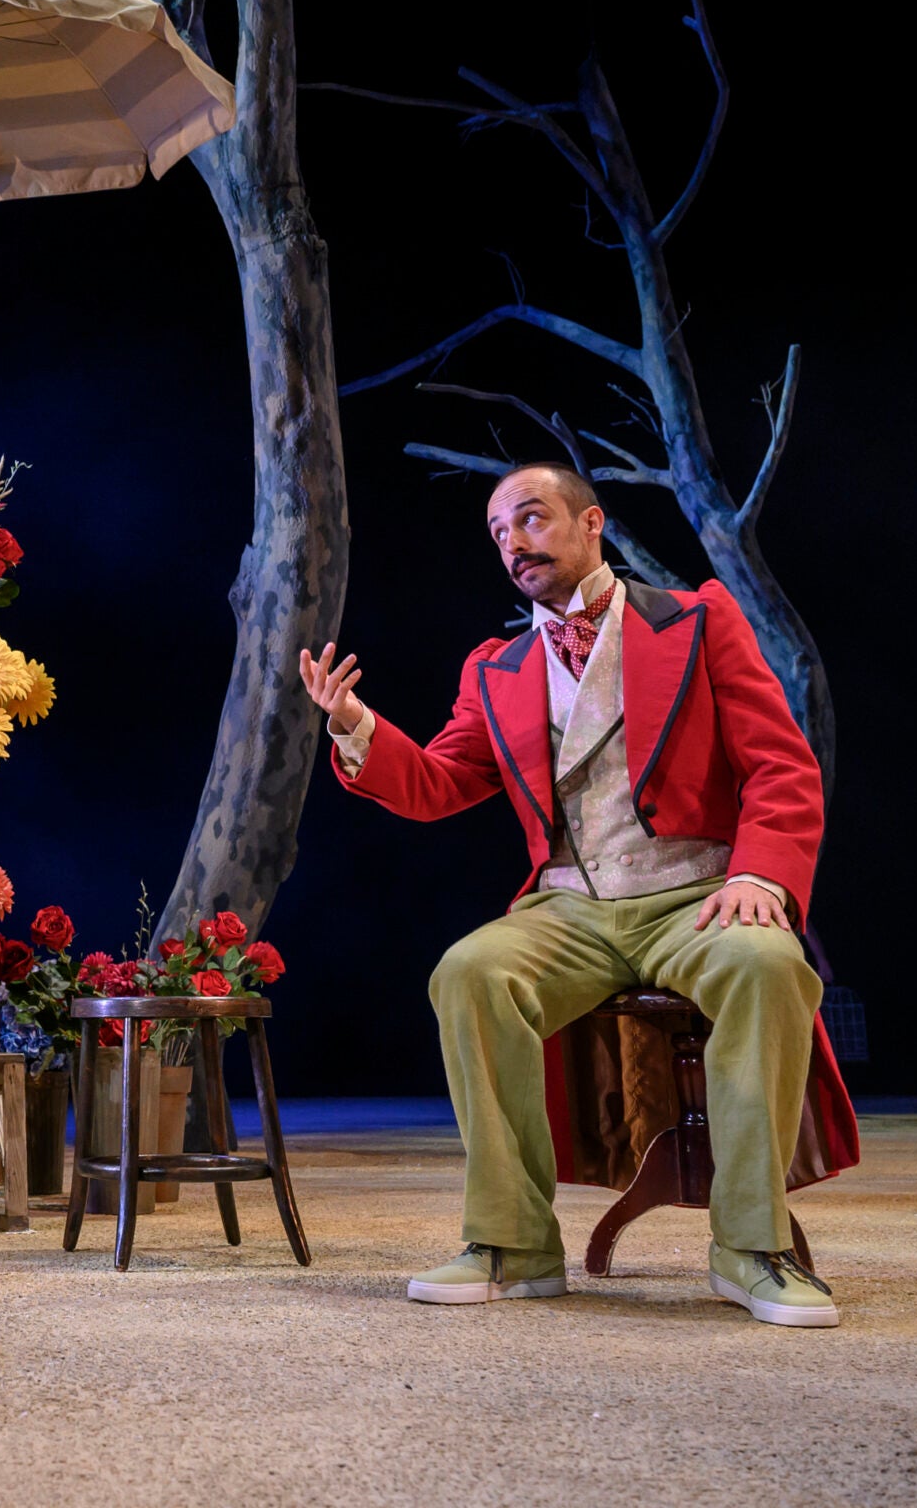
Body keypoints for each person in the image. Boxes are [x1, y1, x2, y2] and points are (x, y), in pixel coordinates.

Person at [299, 461, 856, 1328]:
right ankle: (514, 1244)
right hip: (571, 904)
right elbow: (442, 781)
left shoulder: (696, 619)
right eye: (498, 532)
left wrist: (759, 875)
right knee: (471, 971)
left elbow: (780, 764)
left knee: (769, 965)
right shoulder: (501, 665)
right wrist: (355, 728)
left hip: (693, 890)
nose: (513, 543)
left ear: (591, 522)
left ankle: (750, 1246)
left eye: (530, 519)